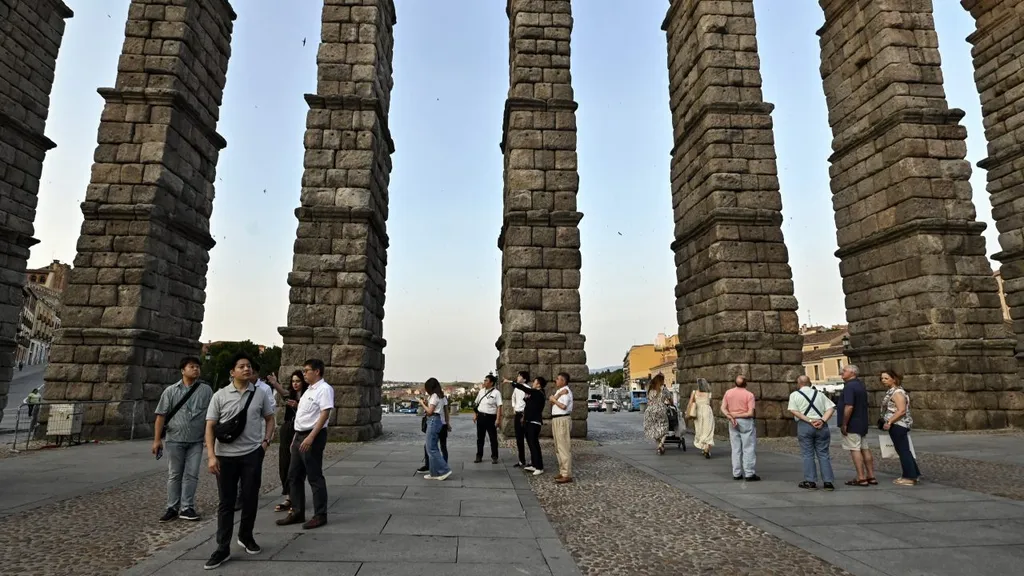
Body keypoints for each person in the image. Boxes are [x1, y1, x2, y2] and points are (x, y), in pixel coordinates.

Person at [203, 352, 276, 570]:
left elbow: (270, 419)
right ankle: (222, 547)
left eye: (249, 366)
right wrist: (211, 456)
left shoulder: (260, 394)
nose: (247, 369)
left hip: (251, 454)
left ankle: (246, 536)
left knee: (250, 498)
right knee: (226, 503)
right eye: (242, 366)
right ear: (232, 372)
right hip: (225, 456)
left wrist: (265, 443)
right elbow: (209, 426)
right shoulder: (220, 395)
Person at [152, 357, 213, 522]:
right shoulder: (170, 391)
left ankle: (187, 507)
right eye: (192, 367)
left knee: (192, 474)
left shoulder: (206, 390)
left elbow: (211, 416)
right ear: (183, 370)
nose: (196, 369)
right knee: (175, 474)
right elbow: (161, 416)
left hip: (196, 440)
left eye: (198, 367)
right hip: (174, 439)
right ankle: (172, 507)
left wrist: (210, 439)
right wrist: (157, 440)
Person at [277, 359, 334, 529]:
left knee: (314, 476)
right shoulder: (309, 390)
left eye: (307, 370)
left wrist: (311, 437)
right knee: (293, 475)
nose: (304, 373)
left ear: (317, 371)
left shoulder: (324, 389)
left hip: (312, 436)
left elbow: (325, 414)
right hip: (299, 435)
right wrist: (296, 437)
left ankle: (320, 514)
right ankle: (297, 511)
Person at [787, 375, 835, 491]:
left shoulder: (794, 395)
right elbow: (831, 408)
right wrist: (822, 420)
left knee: (807, 454)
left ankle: (811, 481)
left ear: (799, 384)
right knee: (823, 454)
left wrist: (809, 420)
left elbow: (794, 411)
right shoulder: (820, 394)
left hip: (805, 425)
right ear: (810, 383)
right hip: (821, 425)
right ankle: (828, 482)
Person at [880, 369, 920, 486]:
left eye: (886, 378)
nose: (883, 381)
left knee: (903, 451)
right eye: (882, 378)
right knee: (903, 450)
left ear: (894, 379)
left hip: (898, 424)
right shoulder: (893, 392)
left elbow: (901, 410)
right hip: (897, 424)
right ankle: (913, 474)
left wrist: (890, 421)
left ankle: (909, 477)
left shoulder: (897, 393)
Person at [274, 370, 307, 512]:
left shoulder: (308, 395)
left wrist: (298, 406)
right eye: (293, 381)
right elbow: (284, 393)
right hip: (287, 430)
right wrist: (275, 384)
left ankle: (296, 498)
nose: (295, 384)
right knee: (284, 464)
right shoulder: (290, 394)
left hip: (300, 431)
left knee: (296, 467)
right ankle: (288, 496)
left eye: (298, 381)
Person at [839, 364, 877, 487]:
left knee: (855, 449)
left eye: (844, 371)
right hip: (862, 422)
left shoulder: (849, 387)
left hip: (852, 423)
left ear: (853, 373)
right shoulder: (860, 386)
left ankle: (861, 477)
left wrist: (844, 423)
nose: (841, 373)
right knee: (865, 448)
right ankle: (871, 476)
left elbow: (849, 406)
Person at [507, 375, 547, 475]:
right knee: (531, 444)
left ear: (538, 384)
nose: (532, 383)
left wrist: (510, 382)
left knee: (534, 445)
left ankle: (539, 467)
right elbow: (528, 403)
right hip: (529, 421)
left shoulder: (538, 392)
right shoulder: (535, 393)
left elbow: (523, 388)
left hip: (534, 422)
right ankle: (534, 464)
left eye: (534, 382)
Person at [721, 375, 759, 481]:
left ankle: (736, 473)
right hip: (745, 421)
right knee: (748, 447)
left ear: (735, 383)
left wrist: (730, 416)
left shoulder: (728, 393)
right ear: (746, 383)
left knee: (735, 448)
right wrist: (739, 415)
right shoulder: (749, 395)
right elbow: (750, 412)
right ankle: (749, 473)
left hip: (732, 421)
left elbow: (723, 408)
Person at [420, 378, 453, 481]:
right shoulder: (441, 396)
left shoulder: (434, 396)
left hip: (433, 420)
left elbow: (430, 412)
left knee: (431, 448)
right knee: (433, 447)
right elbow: (446, 411)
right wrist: (447, 423)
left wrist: (422, 403)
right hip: (439, 421)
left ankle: (444, 470)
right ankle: (434, 473)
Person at [549, 372, 574, 484]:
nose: (556, 380)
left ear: (563, 381)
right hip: (556, 419)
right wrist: (555, 398)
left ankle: (566, 474)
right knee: (558, 447)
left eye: (558, 379)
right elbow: (552, 401)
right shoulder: (560, 391)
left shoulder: (566, 392)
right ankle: (562, 470)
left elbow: (563, 406)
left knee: (563, 447)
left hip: (562, 419)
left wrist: (554, 399)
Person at [473, 374, 502, 464]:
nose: (484, 382)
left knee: (493, 438)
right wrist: (475, 415)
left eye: (486, 381)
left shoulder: (496, 393)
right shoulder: (481, 391)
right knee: (480, 438)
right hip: (481, 416)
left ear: (491, 383)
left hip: (491, 417)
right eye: (484, 380)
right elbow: (476, 403)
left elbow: (499, 406)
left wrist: (498, 419)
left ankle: (494, 456)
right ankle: (479, 456)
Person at [686, 378, 715, 458]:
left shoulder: (694, 392)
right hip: (707, 411)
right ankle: (706, 448)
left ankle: (704, 447)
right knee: (708, 431)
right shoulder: (709, 393)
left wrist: (687, 412)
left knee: (700, 430)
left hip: (698, 412)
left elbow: (690, 403)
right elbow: (711, 405)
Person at [643, 374, 671, 454]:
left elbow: (648, 400)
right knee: (665, 428)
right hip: (660, 409)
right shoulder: (663, 389)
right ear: (661, 381)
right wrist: (670, 403)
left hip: (650, 410)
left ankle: (659, 446)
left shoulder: (650, 389)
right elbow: (669, 397)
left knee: (654, 429)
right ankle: (661, 444)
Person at [511, 370, 529, 468]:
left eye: (519, 376)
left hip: (524, 414)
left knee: (529, 438)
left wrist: (524, 414)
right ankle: (521, 460)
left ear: (524, 379)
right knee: (519, 438)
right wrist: (514, 407)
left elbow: (528, 403)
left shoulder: (528, 389)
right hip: (517, 414)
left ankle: (533, 460)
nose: (517, 378)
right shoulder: (516, 389)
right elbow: (513, 398)